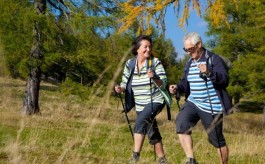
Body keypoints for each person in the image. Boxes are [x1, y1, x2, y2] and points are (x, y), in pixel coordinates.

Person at [169, 32, 230, 164]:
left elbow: (224, 80)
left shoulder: (213, 59)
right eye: (186, 50)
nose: (188, 53)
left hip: (211, 105)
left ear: (199, 45)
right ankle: (191, 160)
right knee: (181, 124)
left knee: (217, 140)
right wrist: (177, 88)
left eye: (190, 49)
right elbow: (185, 83)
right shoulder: (190, 63)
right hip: (193, 102)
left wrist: (209, 72)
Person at [115, 35, 168, 164]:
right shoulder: (130, 63)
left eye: (150, 46)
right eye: (145, 46)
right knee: (151, 130)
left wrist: (154, 77)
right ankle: (162, 159)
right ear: (137, 49)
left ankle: (135, 156)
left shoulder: (155, 63)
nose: (148, 49)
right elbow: (124, 81)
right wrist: (120, 89)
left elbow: (164, 83)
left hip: (156, 100)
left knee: (140, 121)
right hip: (139, 103)